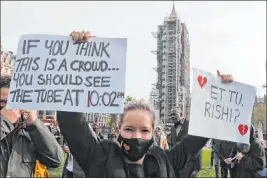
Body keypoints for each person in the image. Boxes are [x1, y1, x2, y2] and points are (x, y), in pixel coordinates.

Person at [56, 30, 234, 177]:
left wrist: (220, 93)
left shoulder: (166, 161)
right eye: (129, 129)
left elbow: (201, 133)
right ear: (118, 131)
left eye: (144, 130)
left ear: (153, 132)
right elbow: (72, 122)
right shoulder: (99, 157)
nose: (136, 136)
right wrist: (77, 57)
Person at [0, 76, 64, 177]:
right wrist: (4, 120)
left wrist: (34, 123)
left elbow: (55, 160)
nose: (9, 108)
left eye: (12, 103)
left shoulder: (30, 132)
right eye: (2, 102)